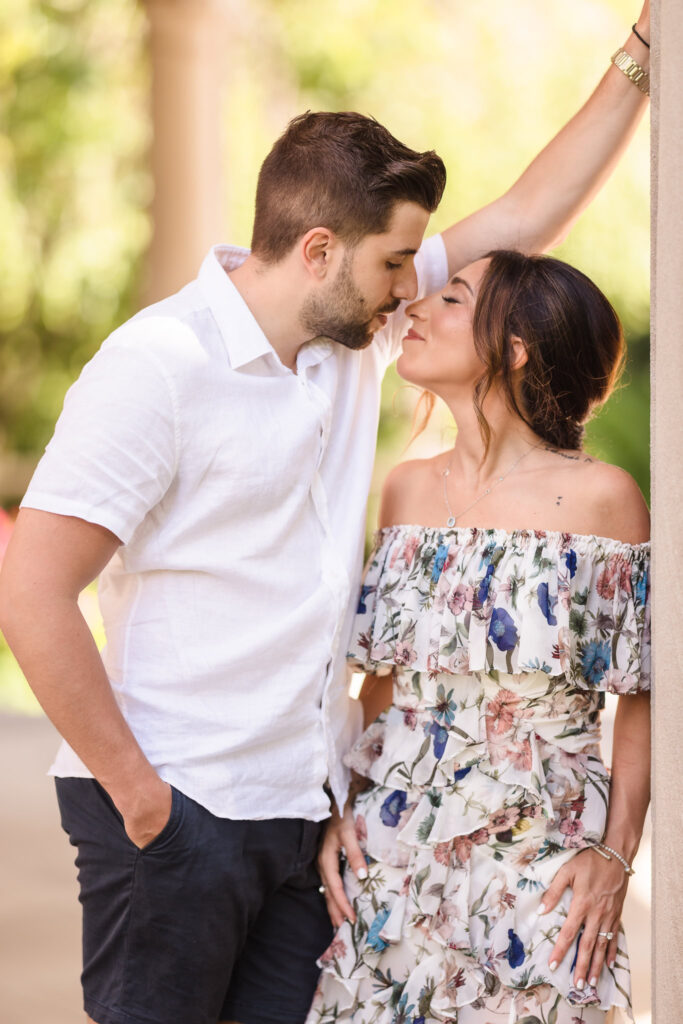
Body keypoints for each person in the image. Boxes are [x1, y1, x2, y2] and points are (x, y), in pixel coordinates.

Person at [0, 8, 650, 1024]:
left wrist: (643, 56)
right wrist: (142, 803)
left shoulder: (347, 345)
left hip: (300, 820)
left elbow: (525, 215)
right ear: (317, 249)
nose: (412, 287)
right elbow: (32, 587)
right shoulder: (157, 368)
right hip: (176, 812)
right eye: (397, 264)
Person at [310, 251, 650, 1024]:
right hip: (392, 863)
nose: (416, 309)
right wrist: (341, 808)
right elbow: (385, 684)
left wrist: (614, 857)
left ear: (515, 347)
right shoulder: (404, 486)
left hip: (542, 867)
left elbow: (643, 693)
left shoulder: (601, 500)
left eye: (453, 298)